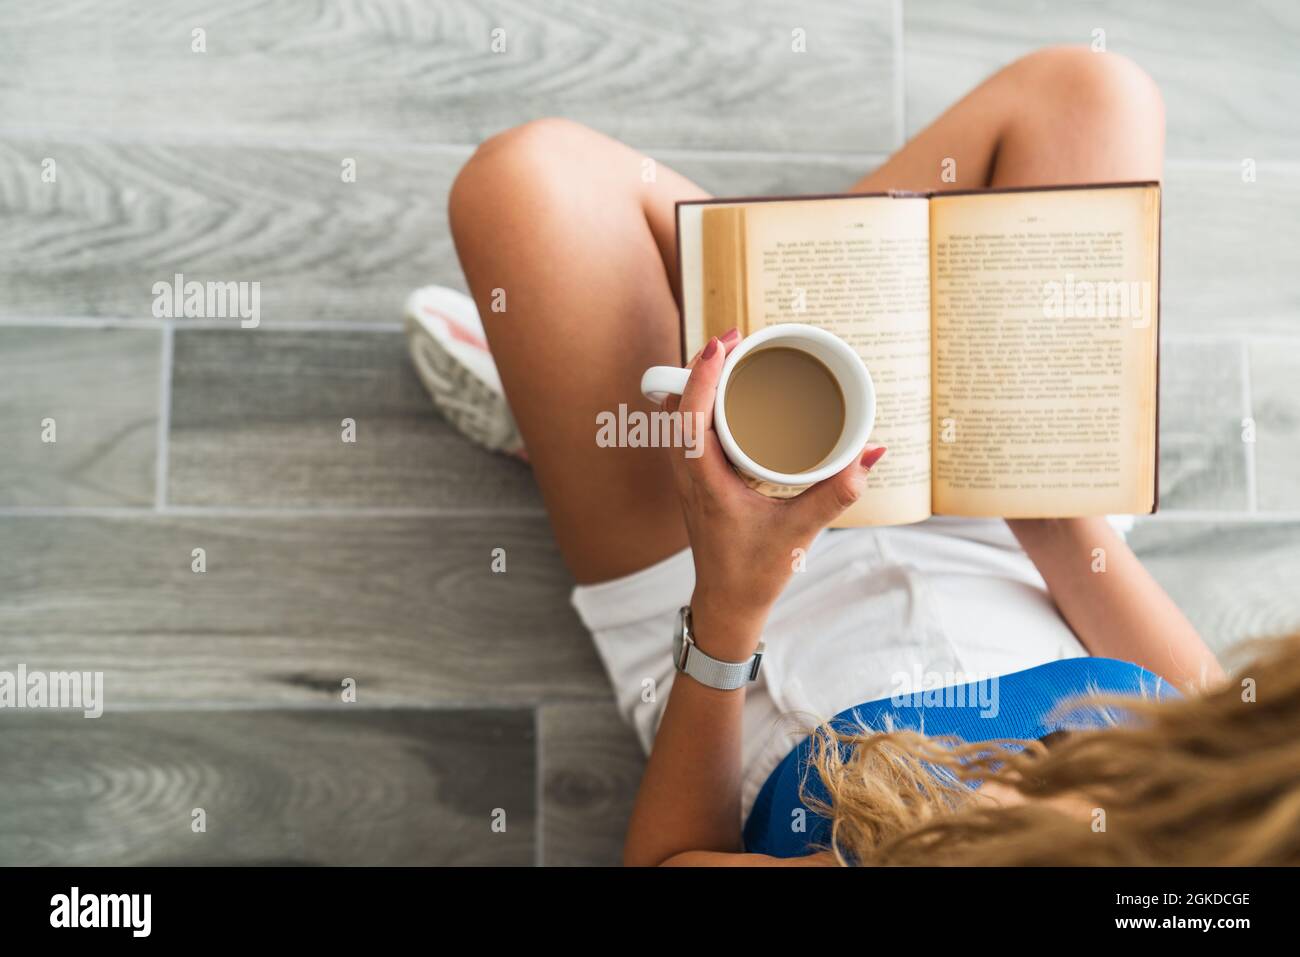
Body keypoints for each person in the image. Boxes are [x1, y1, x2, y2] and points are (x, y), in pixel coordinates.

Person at [408, 47, 1297, 865]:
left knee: (525, 179)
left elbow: (669, 863)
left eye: (1022, 802)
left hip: (744, 627)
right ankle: (619, 361)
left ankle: (599, 383)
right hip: (1013, 558)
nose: (1029, 770)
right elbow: (1199, 705)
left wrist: (729, 602)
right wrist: (1057, 522)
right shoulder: (1240, 820)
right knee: (1091, 96)